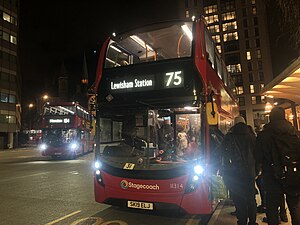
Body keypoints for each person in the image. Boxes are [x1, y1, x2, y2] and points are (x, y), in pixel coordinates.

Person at [255, 106, 300, 225]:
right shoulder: (295, 132)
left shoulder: (263, 135)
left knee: (272, 207)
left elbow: (258, 157)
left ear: (270, 117)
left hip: (271, 176)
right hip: (293, 174)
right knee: (295, 206)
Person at [220, 116, 257, 225]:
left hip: (234, 173)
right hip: (250, 172)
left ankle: (242, 221)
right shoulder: (252, 137)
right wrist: (257, 170)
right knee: (251, 198)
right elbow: (257, 155)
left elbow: (223, 154)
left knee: (239, 198)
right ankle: (252, 222)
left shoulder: (229, 137)